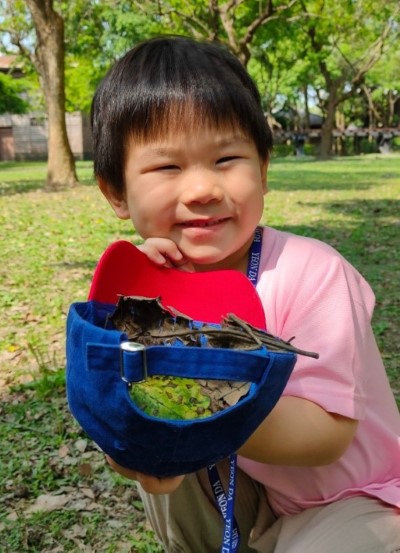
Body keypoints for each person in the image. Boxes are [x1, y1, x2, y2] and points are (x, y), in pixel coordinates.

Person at [90, 36, 400, 552]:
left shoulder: (314, 270)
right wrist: (134, 443)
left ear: (264, 168)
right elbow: (112, 400)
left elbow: (327, 436)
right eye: (167, 167)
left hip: (361, 500)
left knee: (174, 411)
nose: (202, 189)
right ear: (117, 192)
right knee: (152, 410)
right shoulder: (146, 293)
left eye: (227, 158)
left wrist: (187, 419)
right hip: (265, 496)